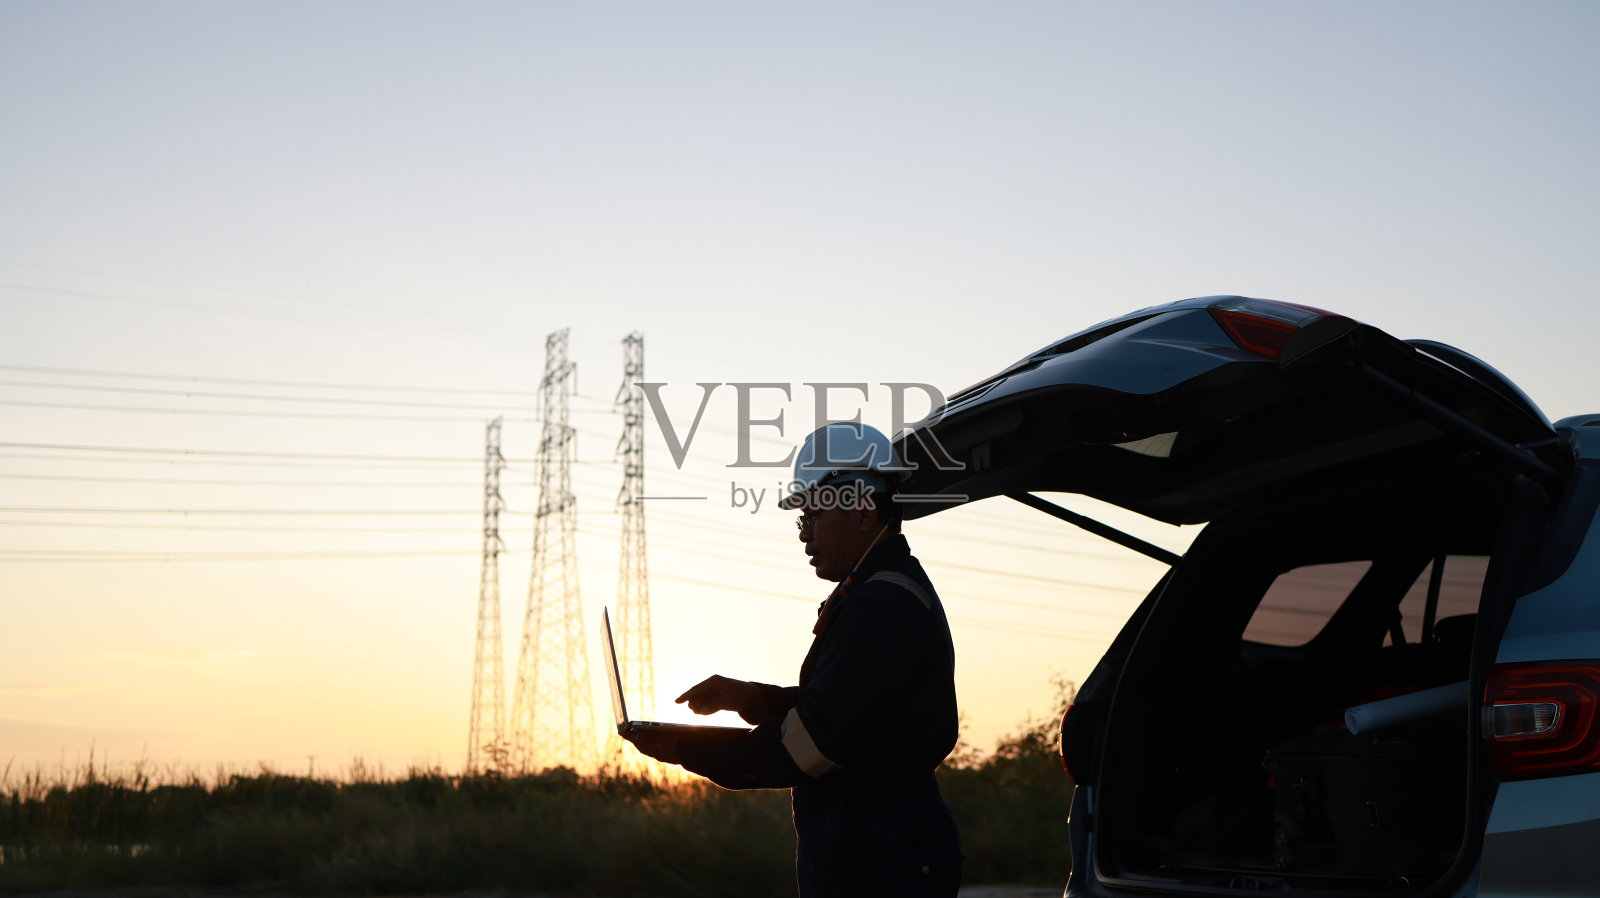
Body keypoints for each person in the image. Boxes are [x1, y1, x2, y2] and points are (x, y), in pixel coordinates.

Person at [625, 423, 962, 897]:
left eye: (812, 517)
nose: (804, 536)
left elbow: (813, 744)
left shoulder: (880, 607)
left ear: (863, 511)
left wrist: (687, 748)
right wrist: (750, 698)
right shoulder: (876, 593)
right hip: (882, 854)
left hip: (883, 867)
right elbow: (845, 711)